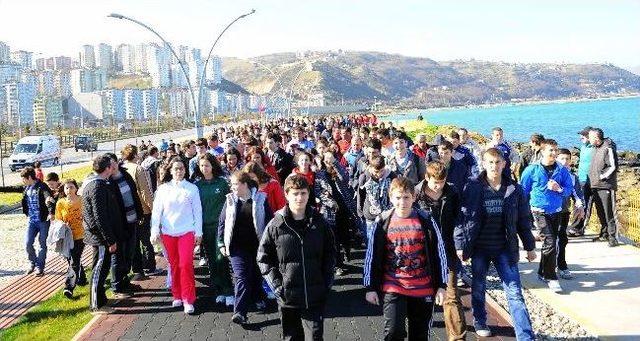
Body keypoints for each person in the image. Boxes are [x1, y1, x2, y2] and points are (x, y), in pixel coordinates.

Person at [455, 148, 536, 339]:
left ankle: (525, 336)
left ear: (504, 164)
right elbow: (462, 218)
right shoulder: (472, 186)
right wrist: (460, 245)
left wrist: (530, 246)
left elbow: (523, 219)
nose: (494, 166)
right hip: (480, 248)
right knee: (479, 287)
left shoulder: (514, 189)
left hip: (505, 248)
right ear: (483, 164)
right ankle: (480, 320)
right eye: (490, 162)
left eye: (498, 162)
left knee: (514, 292)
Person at [363, 176, 448, 341]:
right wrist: (370, 287)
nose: (402, 202)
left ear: (414, 197)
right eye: (398, 197)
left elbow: (440, 253)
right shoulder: (382, 222)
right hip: (393, 285)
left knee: (419, 334)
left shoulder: (426, 220)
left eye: (407, 197)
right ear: (390, 197)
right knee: (393, 332)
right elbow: (371, 256)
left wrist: (441, 286)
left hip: (423, 287)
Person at [257, 174, 336, 340]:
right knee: (292, 337)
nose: (299, 198)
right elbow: (263, 258)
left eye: (303, 193)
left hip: (314, 294)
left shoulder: (320, 223)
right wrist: (277, 286)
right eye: (295, 193)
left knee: (314, 336)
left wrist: (327, 281)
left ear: (308, 194)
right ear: (286, 194)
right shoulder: (276, 225)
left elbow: (330, 254)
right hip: (288, 296)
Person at [414, 161, 467, 340]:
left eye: (442, 182)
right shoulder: (415, 195)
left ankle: (458, 338)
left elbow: (460, 220)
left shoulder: (452, 192)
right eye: (435, 183)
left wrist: (459, 244)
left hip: (447, 251)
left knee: (451, 296)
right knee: (422, 299)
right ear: (426, 177)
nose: (438, 187)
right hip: (423, 253)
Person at [218, 171, 273, 324]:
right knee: (241, 276)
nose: (232, 187)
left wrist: (271, 244)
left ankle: (258, 297)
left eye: (235, 184)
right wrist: (221, 243)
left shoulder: (261, 199)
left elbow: (270, 222)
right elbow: (222, 223)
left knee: (256, 274)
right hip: (237, 247)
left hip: (257, 245)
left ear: (245, 184)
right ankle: (240, 312)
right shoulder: (230, 200)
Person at [520, 139, 573, 293]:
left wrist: (559, 189)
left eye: (555, 150)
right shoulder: (532, 170)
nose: (554, 153)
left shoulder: (562, 170)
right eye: (550, 150)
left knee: (550, 243)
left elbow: (569, 189)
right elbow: (523, 191)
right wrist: (522, 213)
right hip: (539, 211)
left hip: (556, 211)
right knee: (550, 242)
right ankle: (551, 277)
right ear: (542, 151)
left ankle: (542, 272)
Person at [151, 157, 203, 314]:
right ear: (170, 171)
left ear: (185, 170)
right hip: (168, 233)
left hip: (187, 231)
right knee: (173, 265)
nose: (179, 171)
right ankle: (177, 295)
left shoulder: (192, 189)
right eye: (176, 169)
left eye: (181, 168)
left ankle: (188, 299)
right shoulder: (163, 189)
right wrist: (154, 231)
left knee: (185, 264)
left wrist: (198, 232)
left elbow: (198, 211)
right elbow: (156, 212)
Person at [195, 153, 234, 308]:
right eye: (202, 165)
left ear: (213, 166)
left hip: (221, 228)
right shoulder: (197, 186)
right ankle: (218, 290)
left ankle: (228, 290)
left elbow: (230, 205)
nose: (204, 168)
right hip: (205, 228)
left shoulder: (222, 183)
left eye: (207, 165)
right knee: (212, 261)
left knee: (221, 259)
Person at [83, 154, 122, 313]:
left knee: (104, 267)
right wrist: (110, 240)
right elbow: (99, 217)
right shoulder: (96, 186)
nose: (113, 168)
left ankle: (102, 299)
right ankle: (95, 305)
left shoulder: (101, 183)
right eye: (110, 166)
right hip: (100, 238)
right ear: (107, 168)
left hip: (104, 237)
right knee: (98, 270)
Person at [106, 153, 144, 296]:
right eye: (109, 164)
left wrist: (140, 213)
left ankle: (125, 281)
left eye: (114, 162)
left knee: (130, 252)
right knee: (118, 255)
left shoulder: (125, 175)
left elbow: (135, 195)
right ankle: (117, 286)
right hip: (118, 224)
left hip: (132, 220)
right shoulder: (108, 182)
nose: (113, 166)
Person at [315, 151, 359, 276]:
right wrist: (331, 202)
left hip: (344, 208)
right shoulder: (320, 175)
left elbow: (345, 178)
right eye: (326, 160)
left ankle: (346, 253)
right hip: (331, 210)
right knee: (334, 238)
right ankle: (337, 265)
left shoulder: (339, 170)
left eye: (331, 159)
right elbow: (318, 192)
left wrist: (335, 163)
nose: (328, 162)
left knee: (345, 235)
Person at [121, 145, 161, 277]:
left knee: (134, 240)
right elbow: (145, 191)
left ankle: (137, 269)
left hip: (127, 210)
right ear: (135, 154)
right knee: (145, 239)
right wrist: (153, 207)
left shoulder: (121, 169)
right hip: (142, 209)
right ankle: (150, 266)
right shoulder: (139, 169)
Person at [55, 179, 87, 298]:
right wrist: (62, 225)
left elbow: (88, 214)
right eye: (67, 188)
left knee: (74, 260)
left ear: (76, 188)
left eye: (71, 187)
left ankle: (69, 287)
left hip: (81, 235)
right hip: (68, 236)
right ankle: (82, 279)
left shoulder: (81, 200)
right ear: (63, 190)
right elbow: (58, 219)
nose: (69, 190)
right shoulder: (60, 203)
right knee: (72, 259)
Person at [587, 128, 620, 246]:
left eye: (590, 137)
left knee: (609, 212)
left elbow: (613, 166)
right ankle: (605, 233)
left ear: (596, 138)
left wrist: (602, 177)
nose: (588, 139)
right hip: (595, 185)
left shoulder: (608, 147)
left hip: (606, 186)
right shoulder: (595, 148)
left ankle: (613, 237)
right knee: (600, 212)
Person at [556, 148, 585, 279]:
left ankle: (561, 265)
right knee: (550, 241)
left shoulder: (572, 177)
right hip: (547, 212)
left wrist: (580, 207)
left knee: (562, 238)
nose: (565, 161)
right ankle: (546, 267)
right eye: (562, 158)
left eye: (567, 159)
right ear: (556, 159)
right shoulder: (550, 174)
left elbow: (577, 195)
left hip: (564, 212)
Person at [21, 167, 55, 276]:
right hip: (31, 221)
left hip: (43, 221)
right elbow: (13, 188)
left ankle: (40, 267)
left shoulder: (42, 187)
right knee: (28, 243)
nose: (23, 181)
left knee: (42, 244)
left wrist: (51, 211)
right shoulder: (27, 188)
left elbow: (48, 198)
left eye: (24, 179)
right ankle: (32, 262)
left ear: (30, 177)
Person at [357, 155, 397, 244]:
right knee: (371, 243)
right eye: (376, 171)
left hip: (387, 215)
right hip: (371, 216)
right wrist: (360, 213)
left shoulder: (391, 176)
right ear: (371, 167)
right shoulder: (365, 178)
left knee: (387, 244)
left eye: (382, 171)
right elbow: (361, 196)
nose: (379, 174)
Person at [567, 127, 595, 237]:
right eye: (581, 135)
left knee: (586, 205)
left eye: (584, 135)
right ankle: (575, 227)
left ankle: (579, 228)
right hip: (581, 179)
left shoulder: (594, 147)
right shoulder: (583, 147)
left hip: (591, 181)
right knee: (579, 204)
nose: (581, 137)